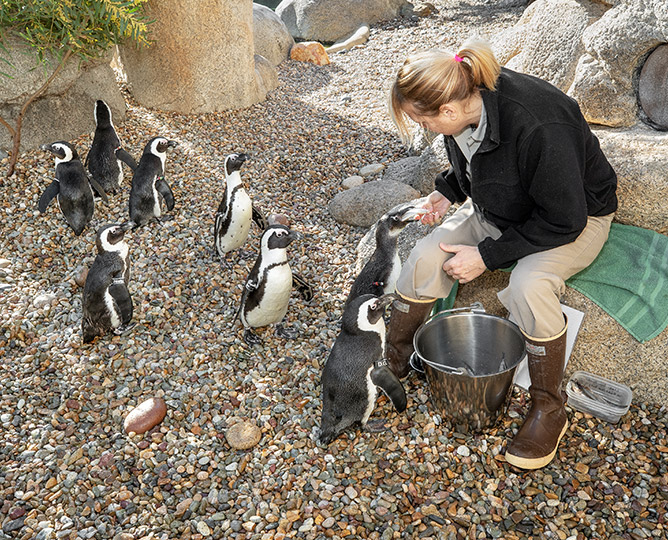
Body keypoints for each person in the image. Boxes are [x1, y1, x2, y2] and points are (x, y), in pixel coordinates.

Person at [385, 38, 618, 470]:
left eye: (423, 122)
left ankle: (549, 408)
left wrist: (487, 256)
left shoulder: (539, 125)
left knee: (528, 285)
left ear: (449, 111)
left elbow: (565, 219)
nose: (425, 129)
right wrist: (447, 190)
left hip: (572, 221)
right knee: (423, 256)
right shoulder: (463, 99)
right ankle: (397, 360)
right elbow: (477, 162)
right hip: (500, 209)